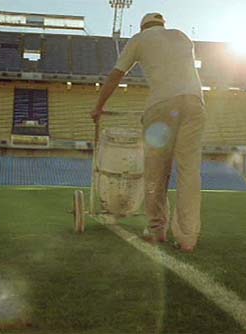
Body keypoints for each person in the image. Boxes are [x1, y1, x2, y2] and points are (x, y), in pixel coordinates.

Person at [90, 12, 205, 252]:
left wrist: (99, 106)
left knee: (156, 173)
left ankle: (156, 229)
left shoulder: (139, 40)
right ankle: (187, 238)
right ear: (163, 25)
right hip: (195, 104)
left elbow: (116, 75)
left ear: (143, 27)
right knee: (189, 172)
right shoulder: (182, 37)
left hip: (161, 107)